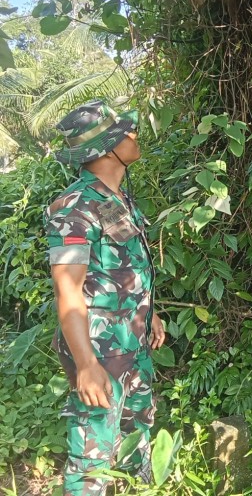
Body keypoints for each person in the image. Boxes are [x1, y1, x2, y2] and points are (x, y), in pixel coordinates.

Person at [45, 100, 165, 495]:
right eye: (127, 131)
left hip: (134, 341)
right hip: (99, 351)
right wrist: (85, 365)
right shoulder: (73, 207)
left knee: (137, 433)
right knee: (92, 457)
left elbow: (126, 269)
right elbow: (68, 289)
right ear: (109, 145)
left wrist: (151, 314)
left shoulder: (118, 199)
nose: (135, 135)